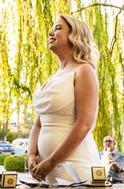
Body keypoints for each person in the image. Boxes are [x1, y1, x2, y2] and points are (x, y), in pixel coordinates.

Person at [28, 14, 101, 184]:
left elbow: (84, 124)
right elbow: (38, 124)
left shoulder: (84, 71)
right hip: (46, 168)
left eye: (58, 28)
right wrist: (31, 155)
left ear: (75, 36)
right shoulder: (51, 79)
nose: (50, 32)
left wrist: (53, 161)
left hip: (74, 165)